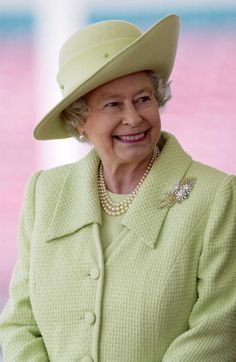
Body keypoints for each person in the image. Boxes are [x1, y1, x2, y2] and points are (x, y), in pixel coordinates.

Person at [0, 13, 235, 362]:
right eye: (113, 104)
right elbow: (20, 323)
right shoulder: (45, 192)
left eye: (143, 99)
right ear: (79, 121)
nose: (134, 117)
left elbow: (217, 329)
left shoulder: (214, 195)